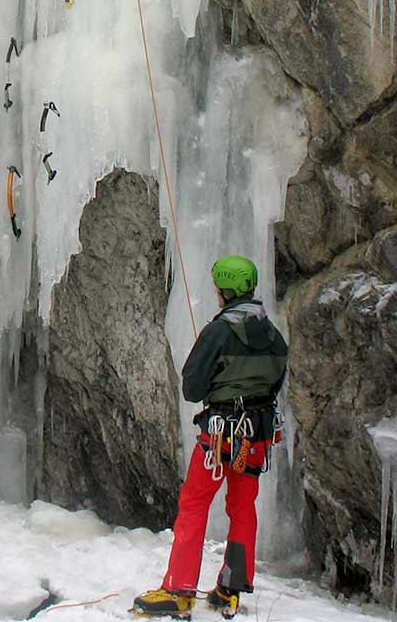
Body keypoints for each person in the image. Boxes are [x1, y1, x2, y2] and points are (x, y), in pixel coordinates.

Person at [132, 255, 289, 620]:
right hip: (257, 434)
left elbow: (192, 387)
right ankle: (230, 589)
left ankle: (179, 589)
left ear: (226, 290)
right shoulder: (272, 333)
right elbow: (276, 381)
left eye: (218, 287)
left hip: (222, 435)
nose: (216, 292)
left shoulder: (219, 331)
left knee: (194, 503)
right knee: (242, 506)